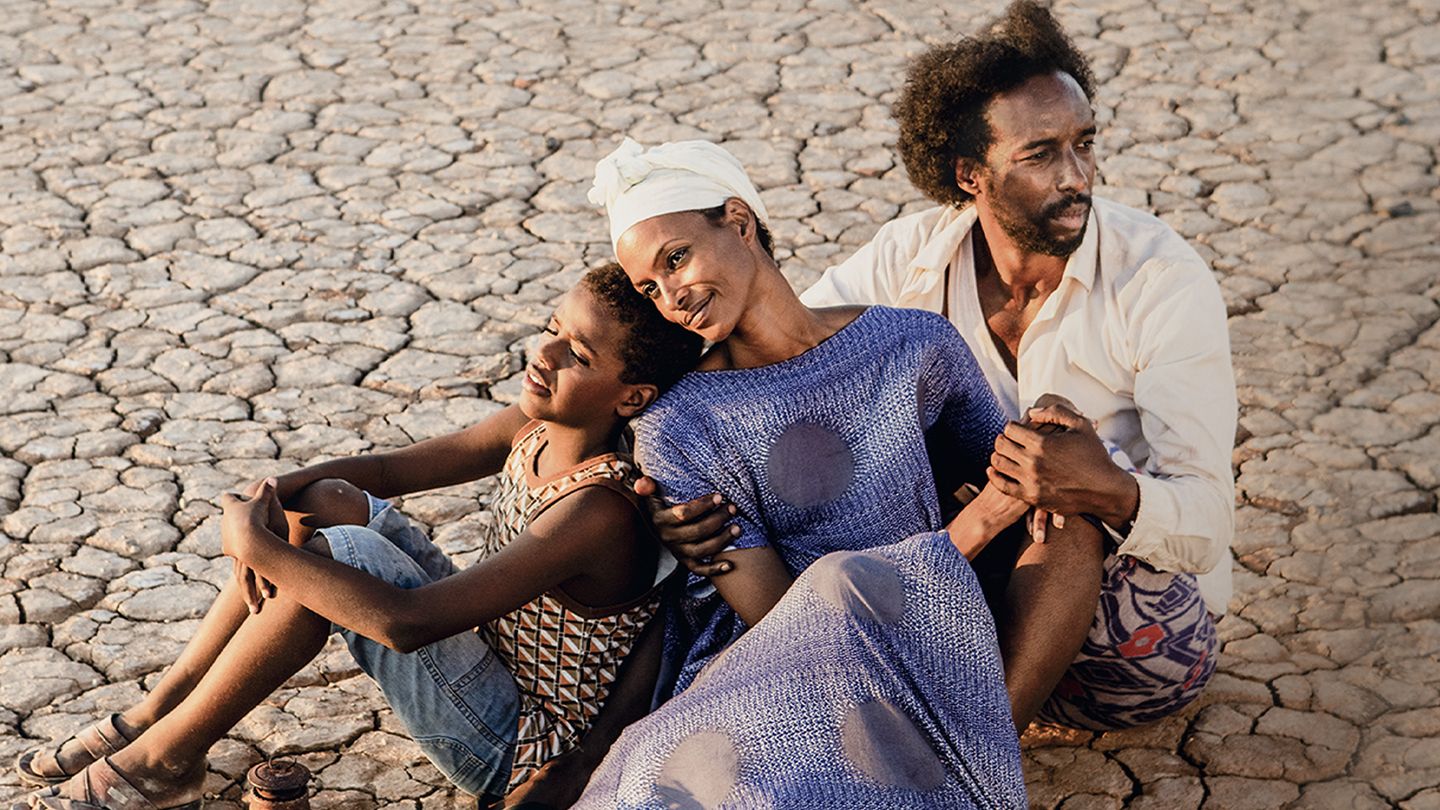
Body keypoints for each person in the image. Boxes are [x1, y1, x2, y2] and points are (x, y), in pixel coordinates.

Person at [656, 0, 1232, 732]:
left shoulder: (1160, 280)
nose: (1078, 175)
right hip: (965, 576)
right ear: (969, 174)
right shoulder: (911, 257)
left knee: (1062, 495)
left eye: (1085, 144)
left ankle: (977, 758)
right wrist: (679, 500)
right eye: (1040, 154)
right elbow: (784, 346)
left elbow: (1210, 521)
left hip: (1110, 620)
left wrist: (1109, 489)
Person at [13, 263, 702, 810]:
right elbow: (383, 470)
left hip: (515, 743)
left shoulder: (599, 509)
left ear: (632, 397)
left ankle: (162, 763)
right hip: (484, 657)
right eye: (552, 327)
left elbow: (409, 624)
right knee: (327, 503)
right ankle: (157, 713)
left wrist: (259, 547)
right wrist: (270, 500)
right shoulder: (535, 423)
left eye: (576, 353)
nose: (543, 353)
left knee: (337, 555)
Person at [573, 137, 1034, 807]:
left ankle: (972, 749)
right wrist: (979, 519)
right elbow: (776, 622)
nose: (671, 294)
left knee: (1066, 529)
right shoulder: (679, 426)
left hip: (937, 628)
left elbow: (1018, 472)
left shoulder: (911, 345)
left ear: (739, 221)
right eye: (651, 287)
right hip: (774, 678)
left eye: (676, 258)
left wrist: (1047, 437)